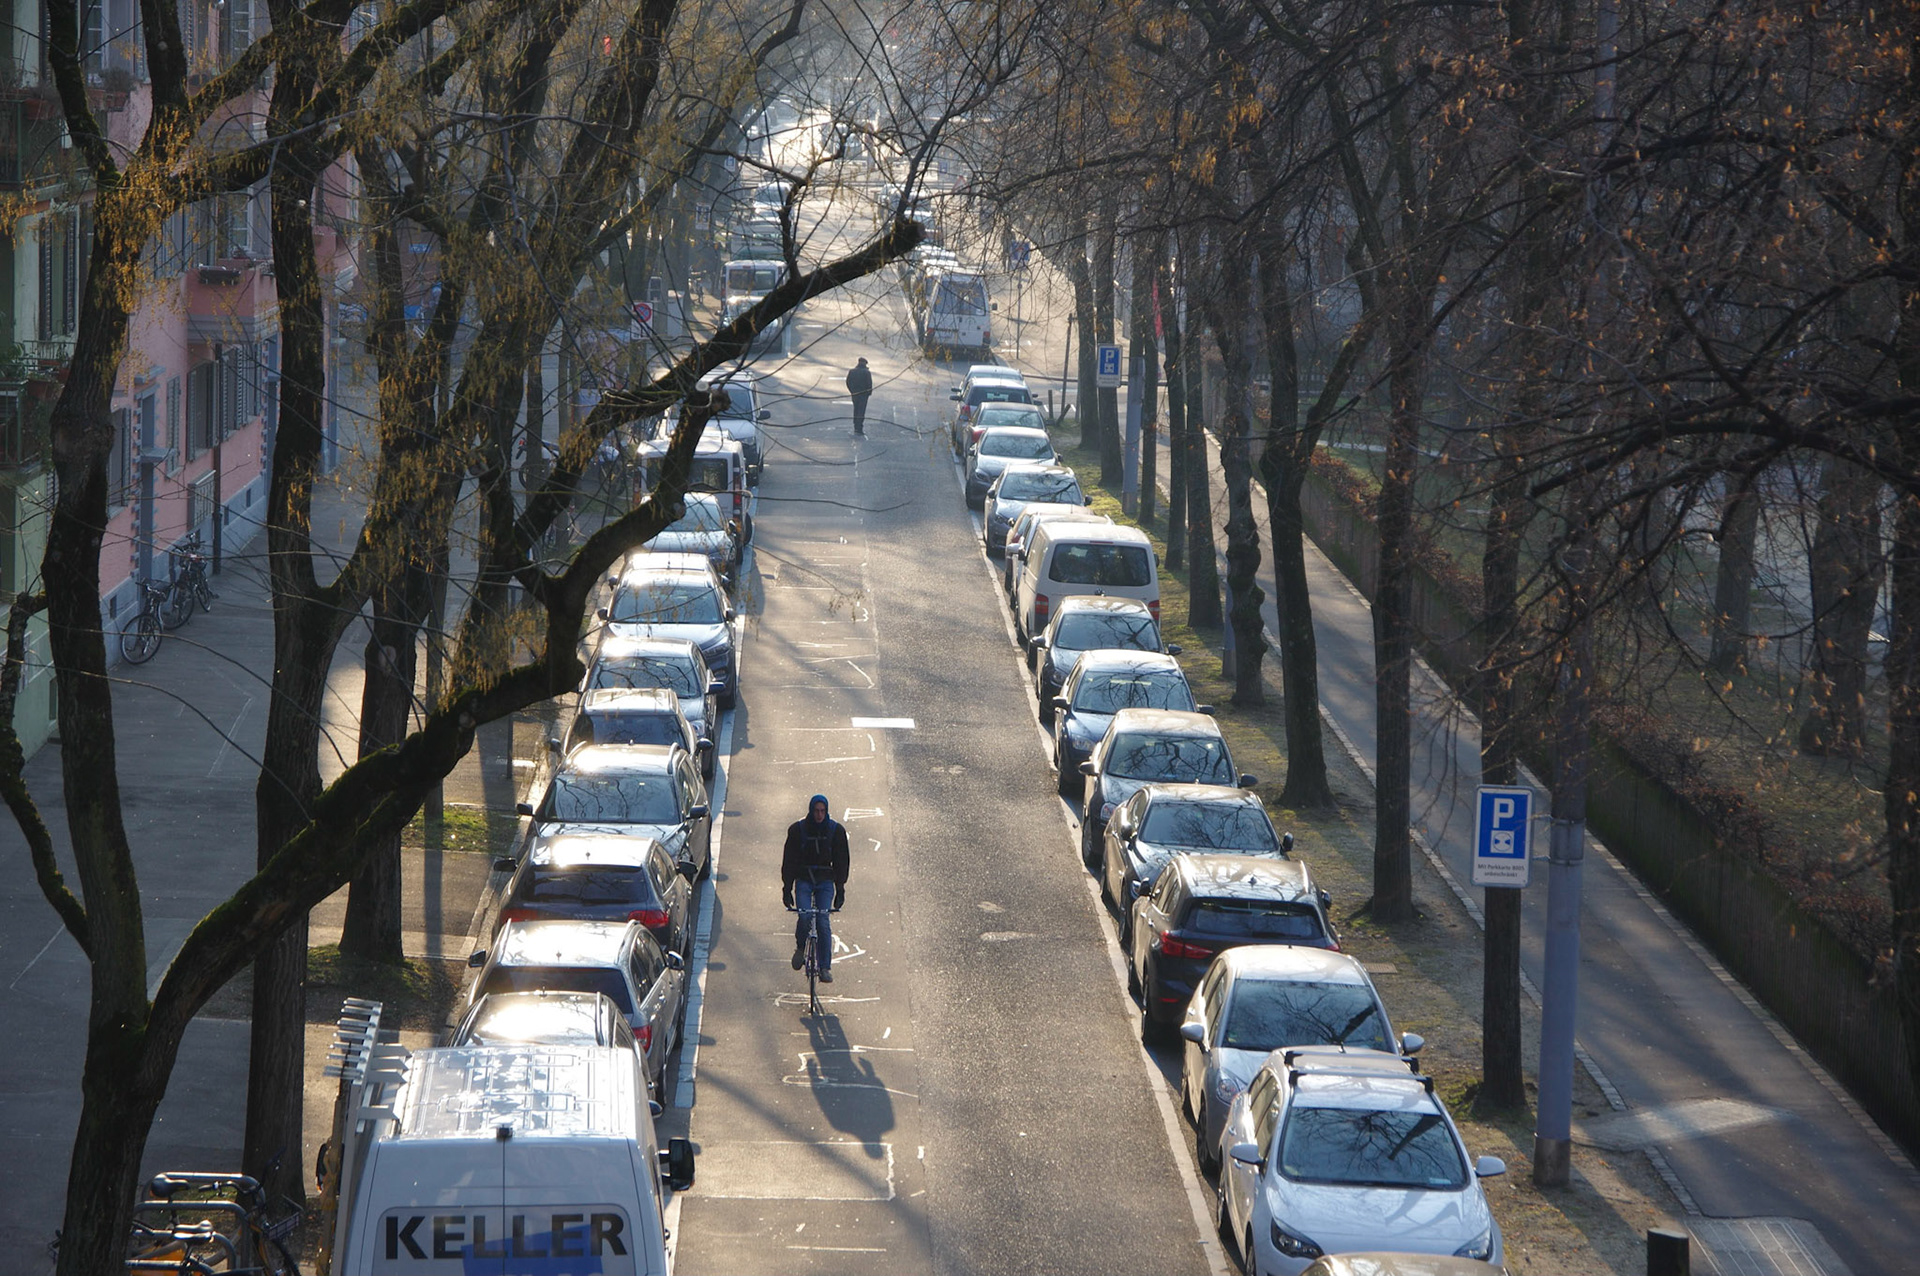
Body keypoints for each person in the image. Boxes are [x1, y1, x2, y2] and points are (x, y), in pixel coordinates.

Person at [782, 794, 850, 980]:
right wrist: (787, 888)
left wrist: (840, 887)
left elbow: (841, 861)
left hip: (825, 881)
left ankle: (825, 967)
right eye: (816, 811)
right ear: (811, 811)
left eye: (822, 811)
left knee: (822, 920)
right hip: (804, 879)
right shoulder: (798, 830)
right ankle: (801, 947)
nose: (819, 815)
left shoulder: (836, 831)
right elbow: (789, 860)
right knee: (804, 915)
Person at [845, 358, 873, 435]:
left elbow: (848, 382)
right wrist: (868, 393)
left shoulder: (852, 371)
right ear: (865, 363)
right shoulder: (867, 372)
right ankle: (859, 427)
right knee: (861, 410)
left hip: (855, 394)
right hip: (863, 395)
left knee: (856, 409)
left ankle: (855, 425)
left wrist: (852, 391)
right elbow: (869, 384)